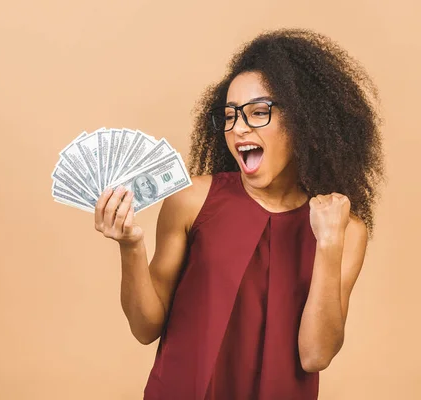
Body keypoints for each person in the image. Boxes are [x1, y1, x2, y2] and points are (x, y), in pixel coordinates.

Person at [94, 28, 384, 400]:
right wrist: (130, 247)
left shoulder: (346, 229)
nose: (239, 128)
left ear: (305, 121)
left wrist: (328, 243)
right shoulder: (192, 199)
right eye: (230, 116)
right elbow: (144, 327)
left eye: (259, 112)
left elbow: (316, 355)